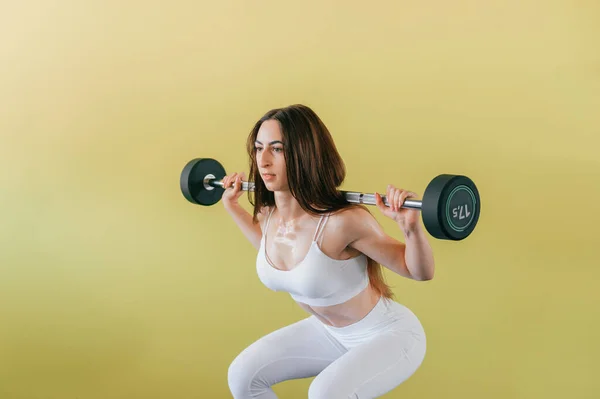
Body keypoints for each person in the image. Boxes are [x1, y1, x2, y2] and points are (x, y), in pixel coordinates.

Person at [221, 104, 435, 399]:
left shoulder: (343, 222)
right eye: (258, 149)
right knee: (243, 376)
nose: (263, 161)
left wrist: (410, 228)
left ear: (304, 154)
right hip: (329, 334)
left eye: (277, 149)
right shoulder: (269, 217)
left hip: (388, 335)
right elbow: (272, 253)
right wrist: (232, 206)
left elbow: (418, 271)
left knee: (325, 393)